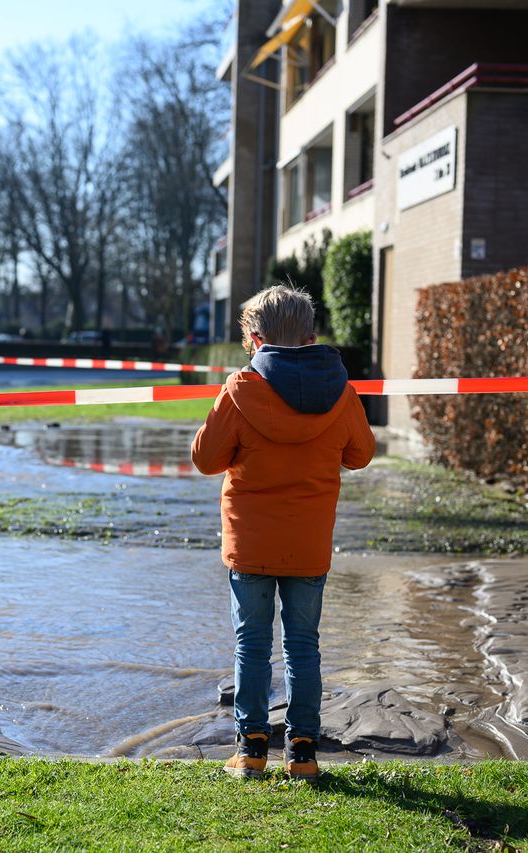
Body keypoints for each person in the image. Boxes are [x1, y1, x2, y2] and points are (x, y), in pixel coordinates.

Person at [191, 284, 375, 781]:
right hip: (309, 544)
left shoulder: (239, 389)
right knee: (303, 645)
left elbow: (206, 460)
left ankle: (250, 750)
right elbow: (361, 455)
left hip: (249, 543)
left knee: (250, 644)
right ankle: (303, 753)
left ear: (254, 339)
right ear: (312, 337)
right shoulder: (342, 392)